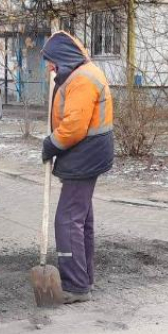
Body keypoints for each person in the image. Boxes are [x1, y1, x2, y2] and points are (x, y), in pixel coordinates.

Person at [41, 31, 114, 304]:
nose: (50, 67)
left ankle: (75, 285)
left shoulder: (81, 80)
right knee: (81, 218)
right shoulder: (81, 74)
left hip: (85, 153)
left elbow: (73, 127)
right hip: (89, 153)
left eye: (52, 61)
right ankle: (84, 278)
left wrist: (51, 144)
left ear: (64, 59)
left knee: (68, 219)